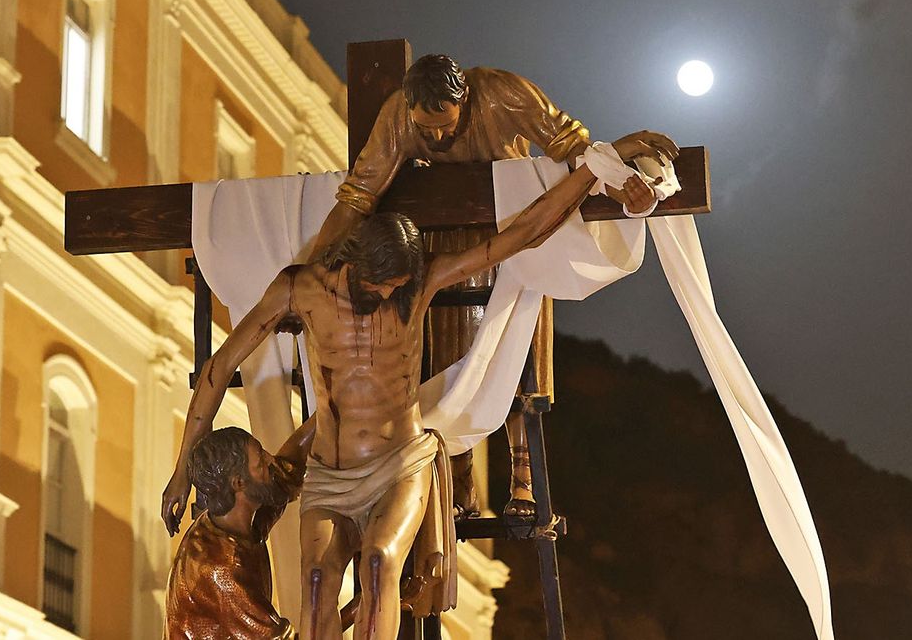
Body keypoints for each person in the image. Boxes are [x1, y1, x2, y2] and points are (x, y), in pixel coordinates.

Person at [162, 131, 668, 640]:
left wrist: (601, 161)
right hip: (329, 472)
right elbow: (219, 367)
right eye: (381, 286)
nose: (389, 296)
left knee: (380, 563)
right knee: (316, 581)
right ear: (358, 263)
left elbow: (524, 234)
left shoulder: (418, 284)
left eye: (398, 288)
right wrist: (183, 470)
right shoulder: (300, 288)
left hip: (398, 463)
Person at [308, 54, 678, 517]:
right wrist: (314, 267)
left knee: (518, 356)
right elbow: (358, 195)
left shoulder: (506, 94)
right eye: (427, 130)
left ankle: (521, 476)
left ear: (464, 100)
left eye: (446, 125)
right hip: (447, 242)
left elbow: (574, 148)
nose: (437, 138)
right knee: (448, 360)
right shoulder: (397, 118)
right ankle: (460, 479)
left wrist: (624, 183)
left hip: (516, 233)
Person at [164, 423, 313, 640]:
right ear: (239, 483)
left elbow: (287, 470)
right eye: (261, 463)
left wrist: (330, 408)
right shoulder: (222, 569)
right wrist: (362, 604)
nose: (271, 461)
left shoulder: (240, 520)